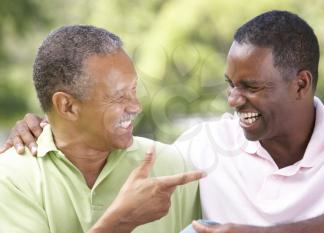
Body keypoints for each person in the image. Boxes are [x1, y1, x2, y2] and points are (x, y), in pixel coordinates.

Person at [3, 10, 324, 233]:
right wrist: (54, 127)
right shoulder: (199, 152)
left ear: (301, 84)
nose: (233, 100)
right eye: (231, 85)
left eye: (251, 86)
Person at [0, 25, 204, 233]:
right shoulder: (11, 177)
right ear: (67, 106)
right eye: (118, 95)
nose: (136, 106)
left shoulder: (172, 168)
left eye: (133, 89)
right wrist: (120, 222)